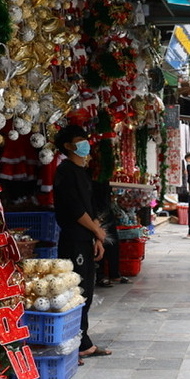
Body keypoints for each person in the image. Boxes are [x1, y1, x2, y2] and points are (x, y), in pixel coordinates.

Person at [52, 125, 111, 359]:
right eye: (80, 140)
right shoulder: (65, 172)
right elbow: (75, 210)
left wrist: (97, 236)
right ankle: (73, 343)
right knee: (75, 292)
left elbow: (91, 207)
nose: (86, 144)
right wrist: (97, 230)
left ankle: (83, 342)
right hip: (74, 239)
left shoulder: (82, 172)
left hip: (86, 238)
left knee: (86, 291)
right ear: (68, 146)